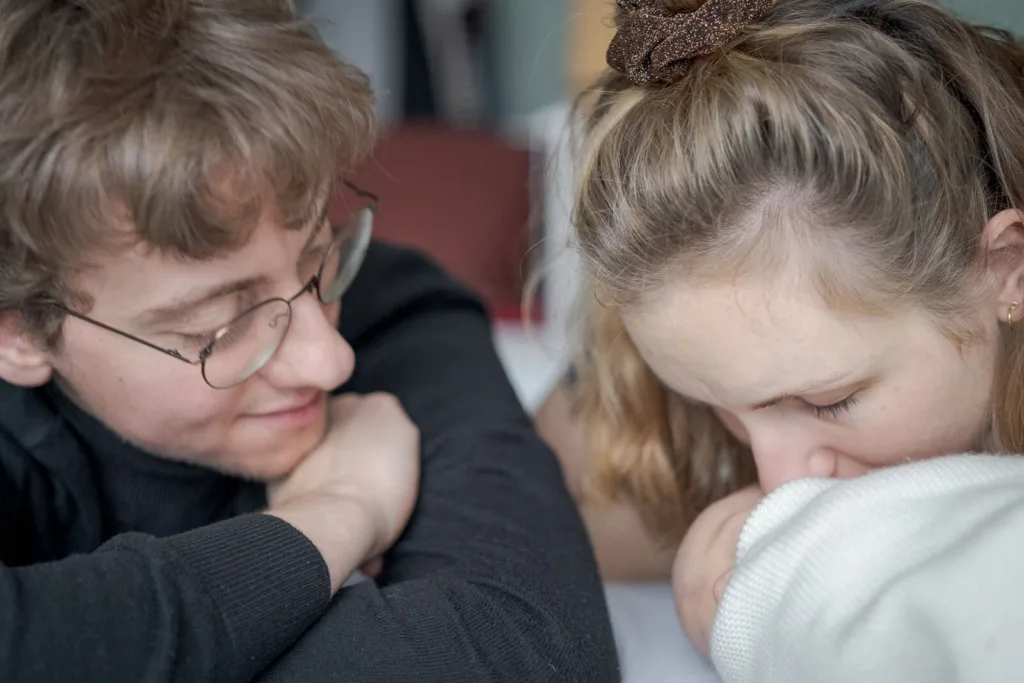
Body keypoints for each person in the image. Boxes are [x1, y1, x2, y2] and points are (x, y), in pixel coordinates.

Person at [0, 2, 619, 682]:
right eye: (220, 326)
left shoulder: (399, 310)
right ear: (20, 332)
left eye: (319, 260)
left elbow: (529, 652)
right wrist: (332, 514)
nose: (330, 359)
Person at [535, 0, 1024, 680]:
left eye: (830, 401)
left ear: (1007, 270)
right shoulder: (654, 428)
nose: (777, 477)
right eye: (722, 406)